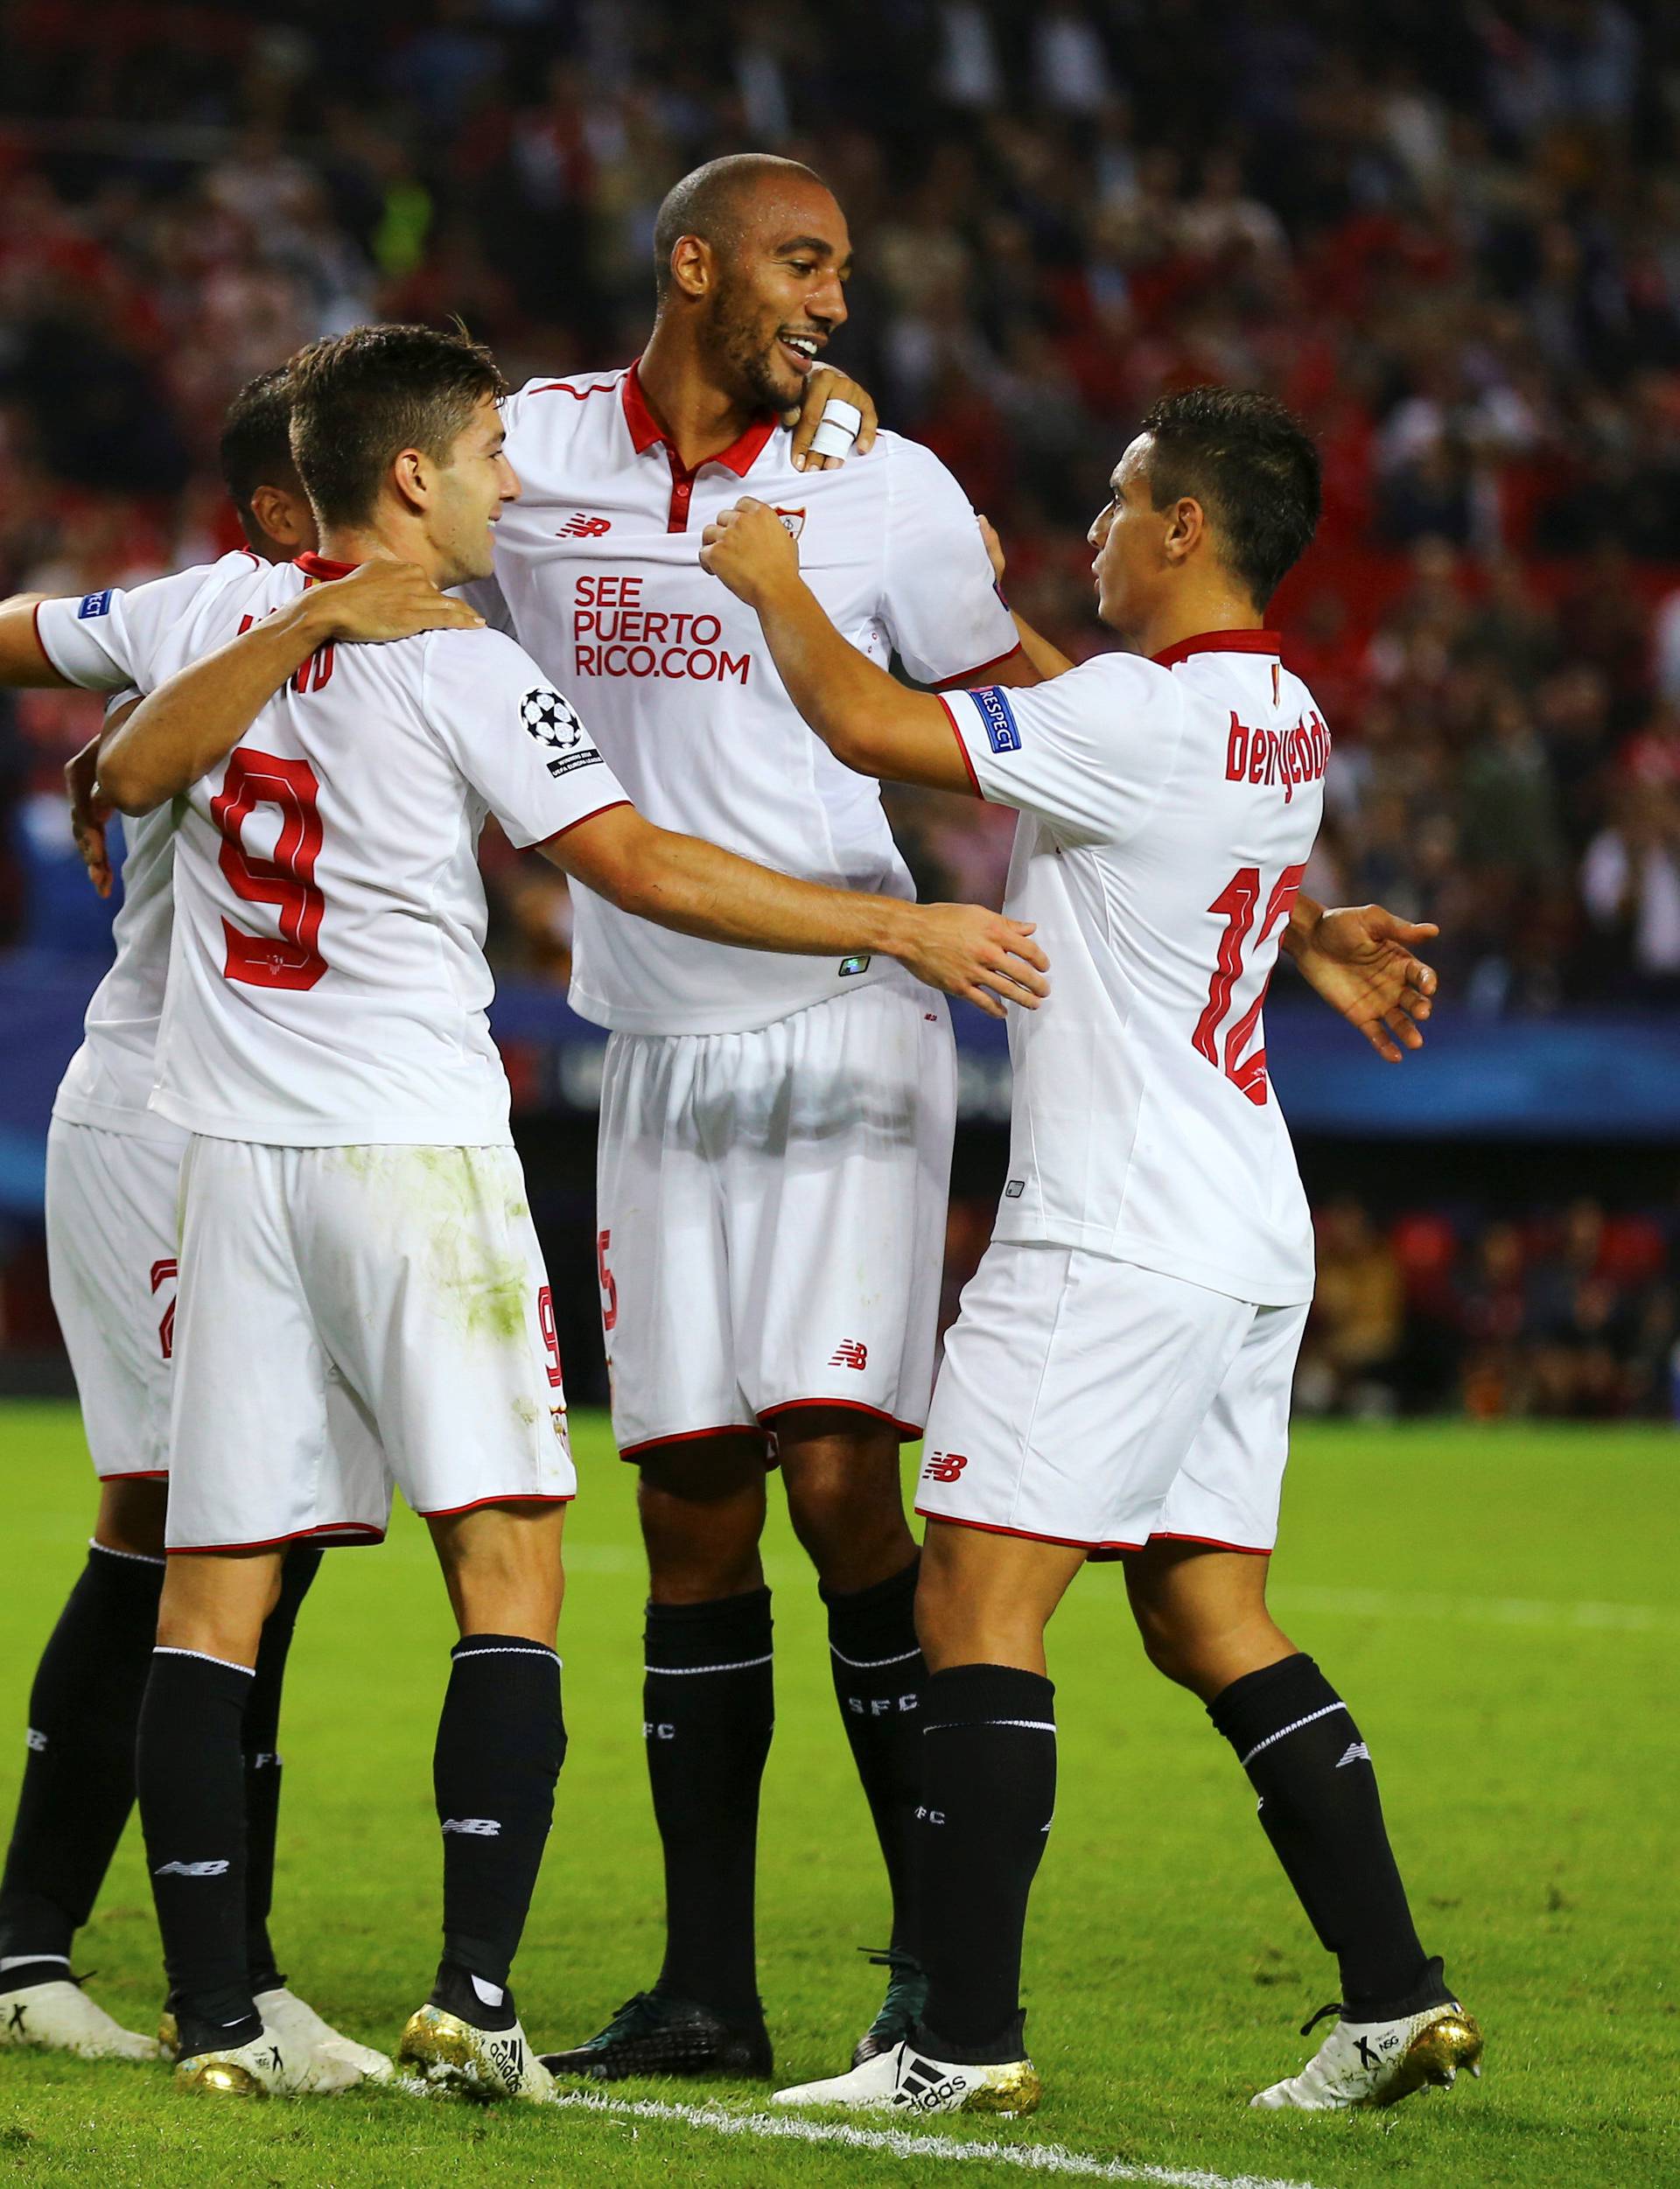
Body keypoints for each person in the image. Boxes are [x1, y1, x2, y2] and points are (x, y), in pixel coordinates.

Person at [85, 321, 1045, 2100]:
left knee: (212, 1593)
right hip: (422, 1163)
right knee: (513, 1566)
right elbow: (637, 862)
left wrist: (263, 642)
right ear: (410, 478)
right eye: (482, 463)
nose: (514, 488)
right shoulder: (465, 662)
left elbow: (120, 770)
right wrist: (904, 922)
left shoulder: (197, 619)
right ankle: (477, 1995)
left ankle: (214, 2019)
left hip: (229, 1162)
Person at [699, 383, 1482, 2115]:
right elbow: (1146, 796)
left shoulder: (1139, 713)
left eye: (1121, 502)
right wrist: (1308, 929)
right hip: (1239, 1220)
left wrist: (769, 576)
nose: (1095, 528)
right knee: (1209, 1609)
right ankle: (1391, 1997)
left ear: (1185, 529)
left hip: (1113, 1230)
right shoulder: (1278, 709)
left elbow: (863, 725)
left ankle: (953, 2043)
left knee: (976, 1593)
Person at [473, 151, 1045, 2080]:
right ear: (693, 263)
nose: (835, 296)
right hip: (653, 1052)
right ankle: (708, 1990)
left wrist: (1259, 885)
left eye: (850, 267)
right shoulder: (533, 446)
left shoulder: (886, 484)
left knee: (833, 1482)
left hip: (846, 1014)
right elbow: (376, 493)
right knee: (693, 1517)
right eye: (801, 261)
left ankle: (937, 1984)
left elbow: (1015, 703)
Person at [0, 372, 396, 2085]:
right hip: (165, 1125)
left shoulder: (404, 634)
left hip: (260, 1129)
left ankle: (42, 1947)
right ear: (286, 517)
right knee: (227, 1536)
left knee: (203, 1534)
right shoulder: (224, 612)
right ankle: (221, 1982)